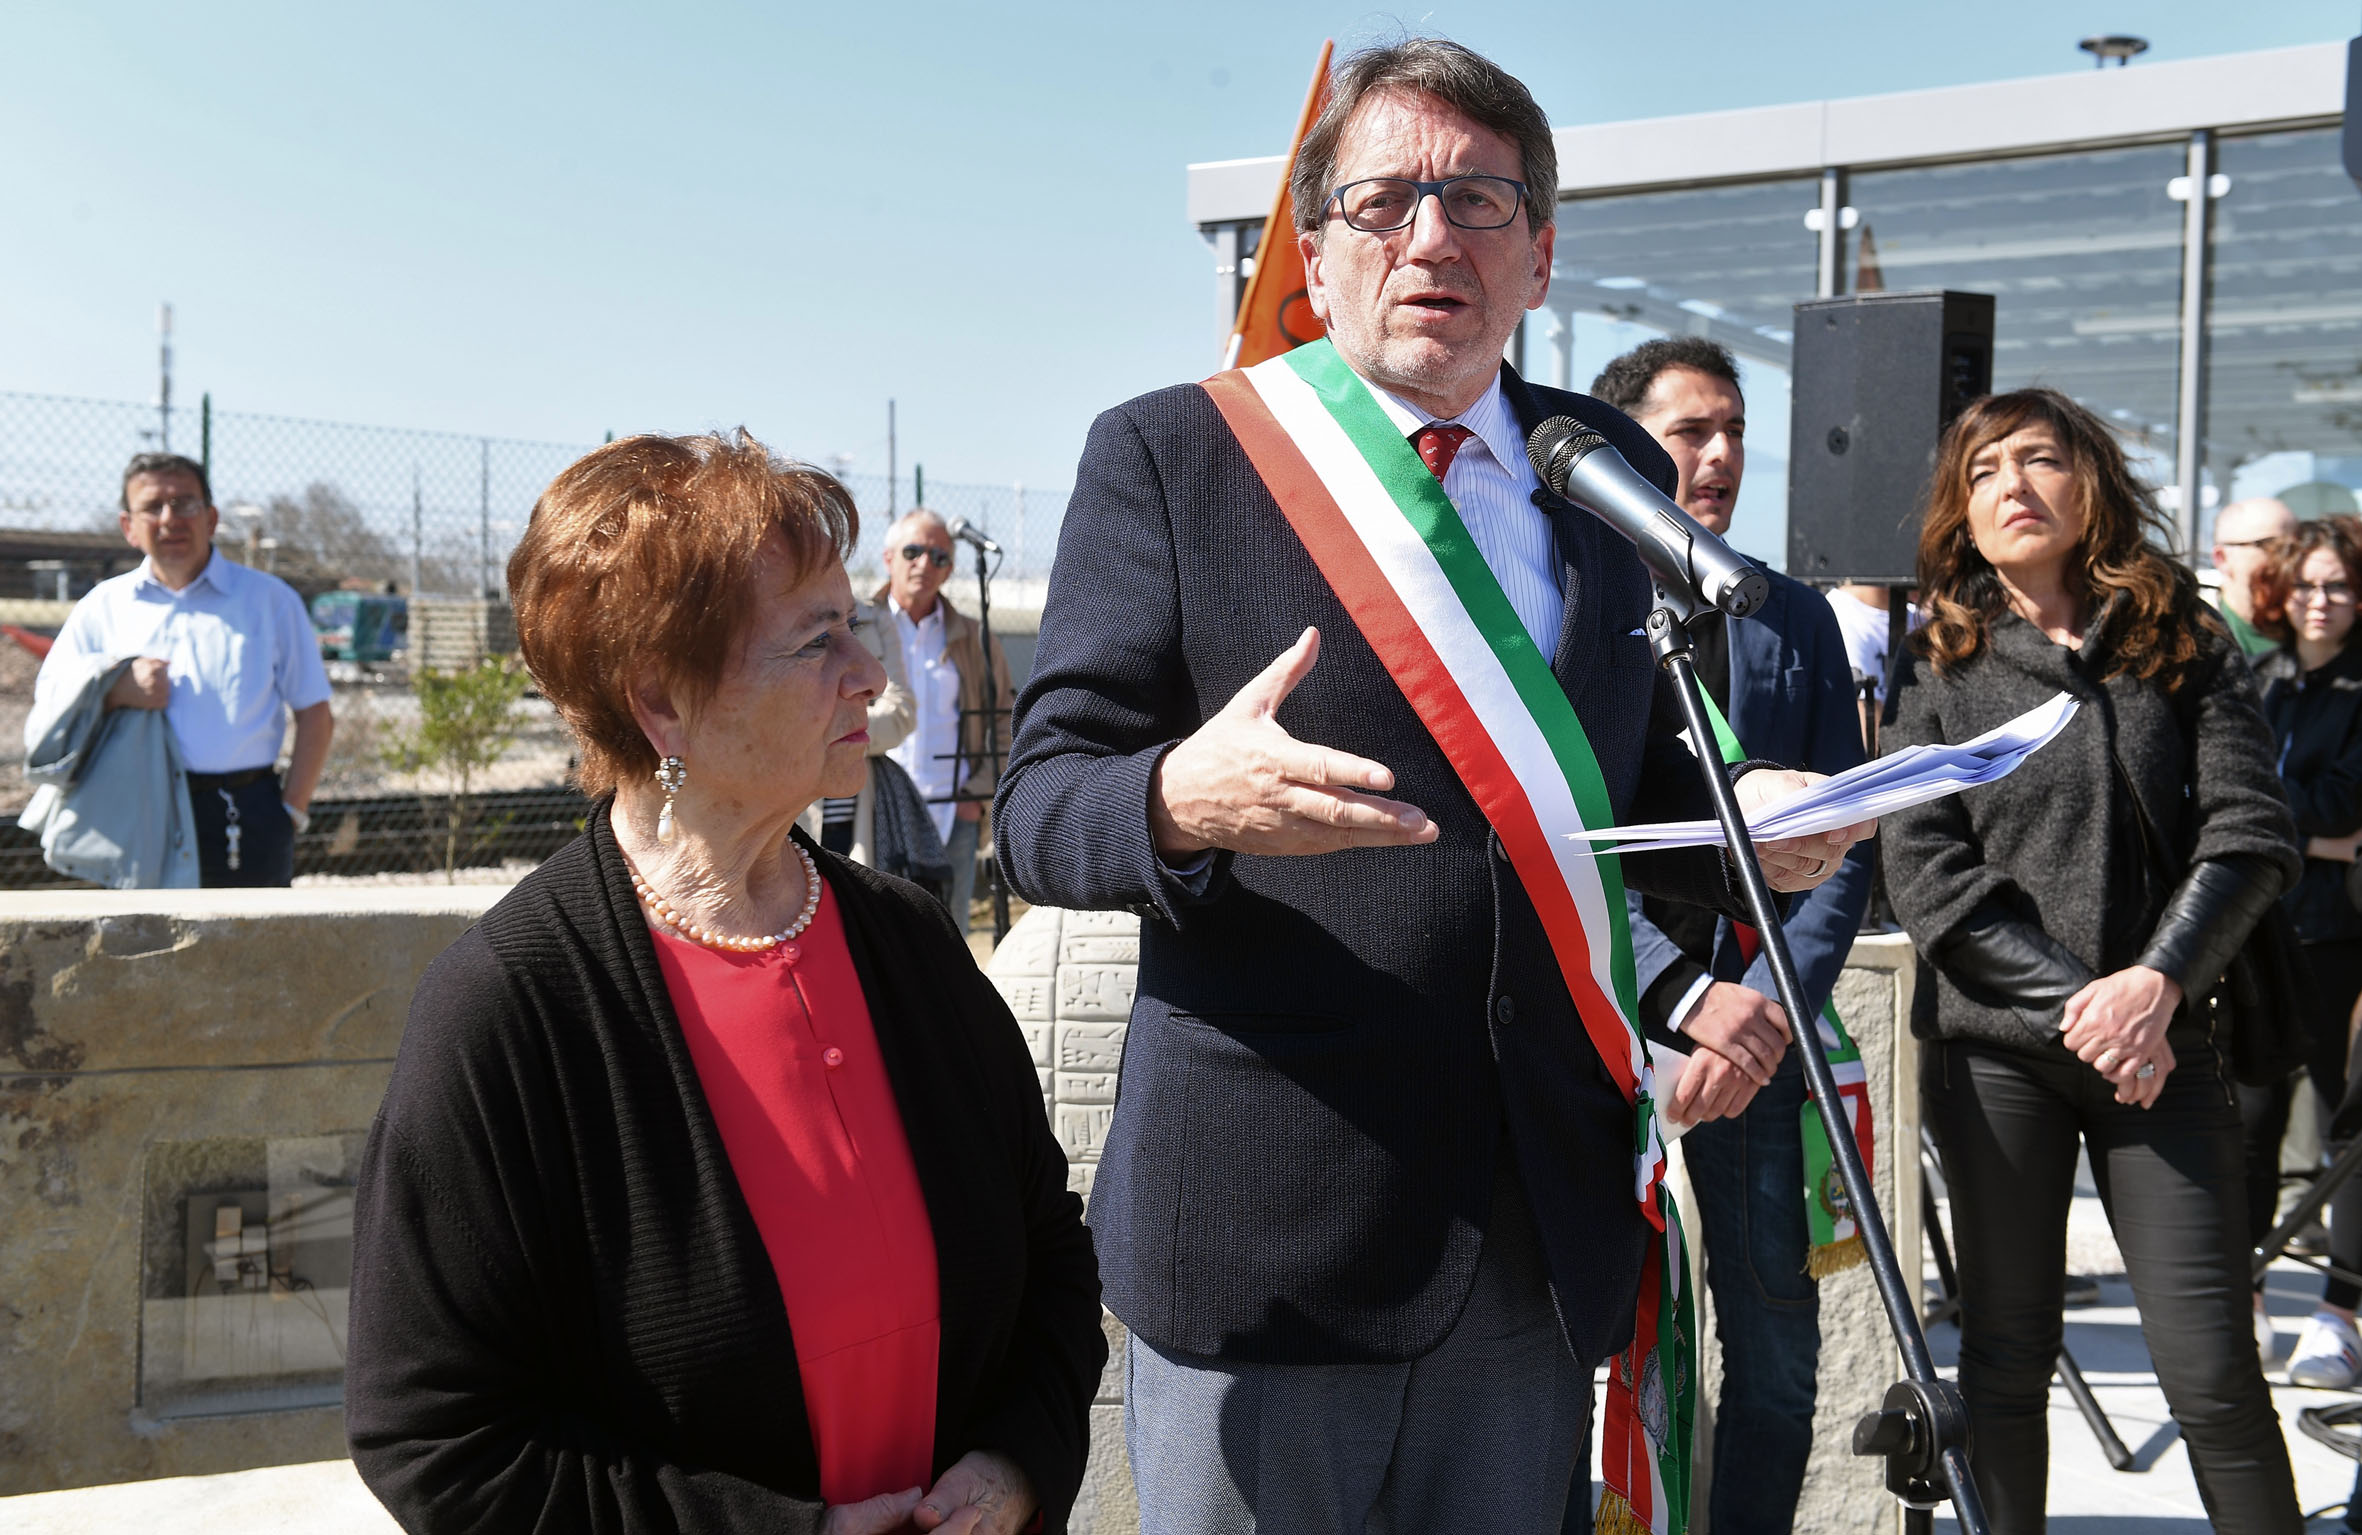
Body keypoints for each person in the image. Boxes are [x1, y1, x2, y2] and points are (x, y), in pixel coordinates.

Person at [995, 38, 1869, 1534]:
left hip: (1532, 1218)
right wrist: (1179, 797)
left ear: (1540, 253)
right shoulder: (1176, 454)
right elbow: (1039, 806)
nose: (1430, 236)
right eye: (1382, 199)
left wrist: (1755, 829)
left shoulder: (1597, 467)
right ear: (1316, 249)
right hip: (1275, 1217)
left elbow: (1611, 787)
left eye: (1478, 199)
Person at [345, 432, 1104, 1535]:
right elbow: (438, 1436)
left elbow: (1052, 1252)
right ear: (662, 701)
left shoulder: (909, 940)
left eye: (854, 625)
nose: (868, 673)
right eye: (815, 640)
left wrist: (1017, 1462)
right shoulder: (511, 1010)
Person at [1883, 387, 2302, 1532]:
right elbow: (1927, 873)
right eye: (1982, 471)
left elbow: (2249, 829)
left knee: (2213, 1371)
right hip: (1999, 1055)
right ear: (1959, 512)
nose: (2011, 485)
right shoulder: (1933, 662)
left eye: (2038, 459)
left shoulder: (2183, 637)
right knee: (2005, 1357)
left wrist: (2156, 983)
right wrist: (2090, 1009)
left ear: (2092, 483)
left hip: (2165, 1041)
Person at [1589, 335, 1871, 1534]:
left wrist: (1759, 1017)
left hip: (1760, 1034)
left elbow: (1843, 842)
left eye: (1734, 431)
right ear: (1619, 448)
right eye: (1689, 430)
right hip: (1599, 1022)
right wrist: (1671, 999)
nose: (1718, 455)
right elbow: (1557, 832)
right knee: (1589, 1339)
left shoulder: (1792, 614)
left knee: (1774, 1353)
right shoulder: (1569, 602)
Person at [31, 452, 332, 885]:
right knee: (141, 931)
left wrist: (291, 812)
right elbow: (50, 702)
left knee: (247, 932)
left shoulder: (270, 600)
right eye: (153, 506)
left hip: (244, 816)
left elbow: (315, 713)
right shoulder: (102, 607)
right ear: (128, 527)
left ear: (211, 518)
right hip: (133, 812)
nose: (170, 518)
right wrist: (115, 689)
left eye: (185, 503)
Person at [2240, 519, 2362, 1388]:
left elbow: (2346, 803)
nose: (2321, 600)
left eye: (2340, 584)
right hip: (2257, 928)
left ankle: (2339, 1311)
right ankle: (2244, 1294)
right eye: (2308, 583)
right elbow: (2222, 792)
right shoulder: (2260, 679)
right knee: (2247, 1121)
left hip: (2340, 935)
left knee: (2347, 1123)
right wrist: (2310, 833)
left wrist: (2278, 821)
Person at [878, 510, 1013, 933]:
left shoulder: (973, 637)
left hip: (953, 813)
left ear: (950, 569)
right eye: (913, 551)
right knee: (879, 931)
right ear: (888, 558)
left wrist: (977, 795)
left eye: (939, 557)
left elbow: (1006, 720)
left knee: (948, 936)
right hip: (879, 808)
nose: (924, 563)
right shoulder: (858, 629)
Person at [2212, 496, 2300, 658]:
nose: (2290, 558)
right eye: (2271, 545)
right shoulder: (2195, 633)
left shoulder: (2320, 631)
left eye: (2296, 546)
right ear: (2222, 558)